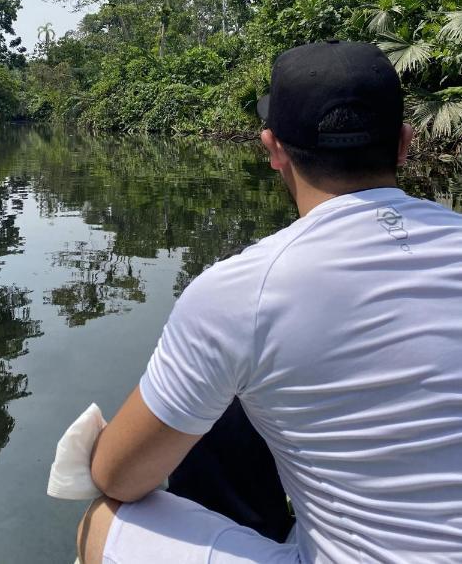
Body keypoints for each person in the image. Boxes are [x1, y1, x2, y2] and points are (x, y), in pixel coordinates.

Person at [76, 40, 462, 564]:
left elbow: (118, 477)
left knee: (103, 520)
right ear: (404, 143)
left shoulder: (239, 292)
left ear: (272, 148)